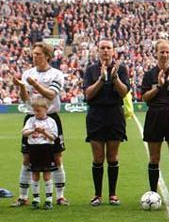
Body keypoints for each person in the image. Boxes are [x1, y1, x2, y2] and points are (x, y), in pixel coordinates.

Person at [11, 42, 68, 207]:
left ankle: (60, 196)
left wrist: (35, 84)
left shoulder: (56, 74)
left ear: (47, 57)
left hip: (51, 118)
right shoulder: (28, 73)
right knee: (27, 157)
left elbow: (51, 94)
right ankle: (23, 197)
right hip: (31, 117)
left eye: (38, 54)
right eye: (34, 54)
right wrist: (22, 87)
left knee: (57, 157)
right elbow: (25, 98)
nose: (35, 57)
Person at [82, 38, 131, 206]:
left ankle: (112, 194)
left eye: (108, 48)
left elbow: (124, 93)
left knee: (112, 156)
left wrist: (115, 78)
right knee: (98, 157)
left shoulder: (121, 69)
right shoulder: (91, 70)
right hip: (96, 115)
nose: (105, 51)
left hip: (115, 115)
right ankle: (97, 195)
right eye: (102, 48)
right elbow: (88, 94)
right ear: (98, 51)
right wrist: (101, 80)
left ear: (113, 51)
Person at [140, 39, 169, 204]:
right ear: (156, 53)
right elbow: (145, 98)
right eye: (162, 51)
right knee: (154, 158)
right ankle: (153, 194)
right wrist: (159, 86)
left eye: (167, 51)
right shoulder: (149, 74)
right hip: (154, 115)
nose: (165, 55)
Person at [21, 96, 58, 210]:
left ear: (46, 109)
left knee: (47, 175)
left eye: (38, 111)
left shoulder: (51, 121)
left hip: (46, 149)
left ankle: (48, 200)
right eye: (34, 111)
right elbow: (24, 132)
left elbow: (53, 137)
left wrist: (44, 132)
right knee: (35, 175)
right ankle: (36, 199)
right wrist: (33, 130)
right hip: (34, 149)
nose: (36, 113)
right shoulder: (31, 120)